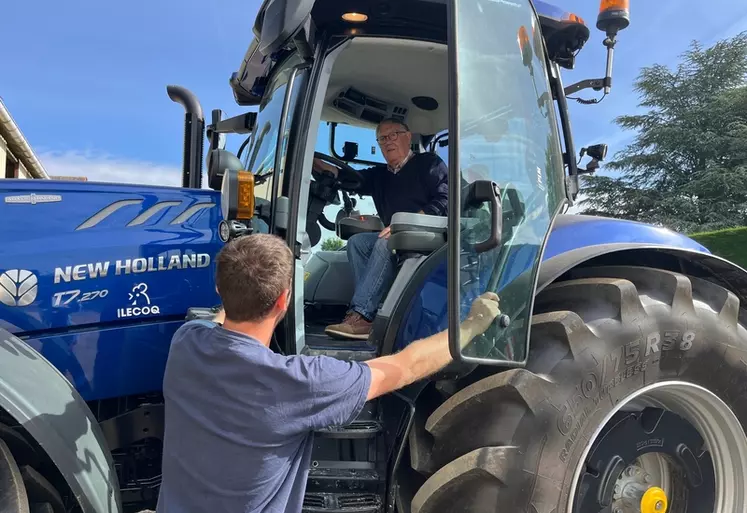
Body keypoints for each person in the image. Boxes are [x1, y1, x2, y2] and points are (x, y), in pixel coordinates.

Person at [156, 233, 499, 513]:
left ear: (219, 289)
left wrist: (234, 294)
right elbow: (405, 365)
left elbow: (218, 319)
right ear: (284, 301)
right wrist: (469, 328)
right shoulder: (304, 383)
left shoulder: (186, 342)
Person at [314, 118, 448, 340]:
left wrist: (406, 223)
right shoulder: (380, 176)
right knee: (358, 243)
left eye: (393, 135)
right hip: (396, 234)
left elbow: (444, 199)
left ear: (408, 136)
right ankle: (373, 312)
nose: (388, 142)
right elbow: (346, 177)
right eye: (382, 138)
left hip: (429, 234)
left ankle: (362, 315)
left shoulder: (429, 163)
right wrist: (317, 163)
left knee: (385, 240)